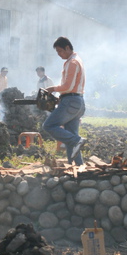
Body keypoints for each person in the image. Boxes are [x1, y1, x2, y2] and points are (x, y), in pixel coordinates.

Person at [43, 36, 86, 166]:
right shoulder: (76, 61)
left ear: (67, 48)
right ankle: (77, 167)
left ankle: (77, 140)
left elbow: (67, 86)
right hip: (77, 101)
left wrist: (52, 89)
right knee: (70, 138)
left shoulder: (72, 63)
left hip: (71, 101)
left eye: (60, 51)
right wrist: (61, 97)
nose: (59, 54)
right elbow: (71, 87)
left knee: (49, 125)